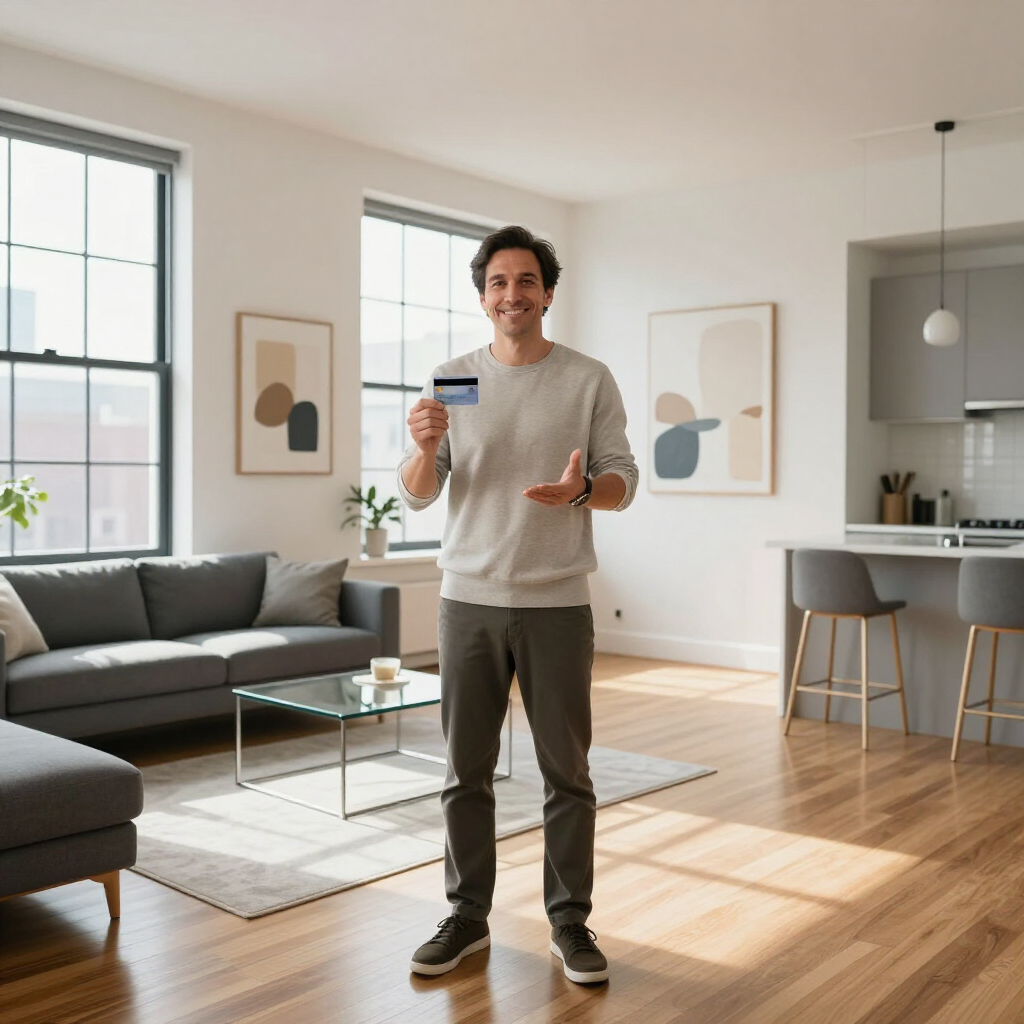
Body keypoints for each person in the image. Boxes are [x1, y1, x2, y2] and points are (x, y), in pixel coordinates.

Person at [398, 225, 638, 985]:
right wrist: (420, 444)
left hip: (556, 601)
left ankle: (570, 923)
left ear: (548, 293)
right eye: (499, 283)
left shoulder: (587, 378)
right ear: (483, 297)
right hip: (465, 598)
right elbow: (419, 489)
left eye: (526, 281)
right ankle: (467, 917)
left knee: (566, 773)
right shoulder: (452, 379)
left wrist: (581, 491)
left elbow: (623, 481)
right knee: (463, 772)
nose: (513, 294)